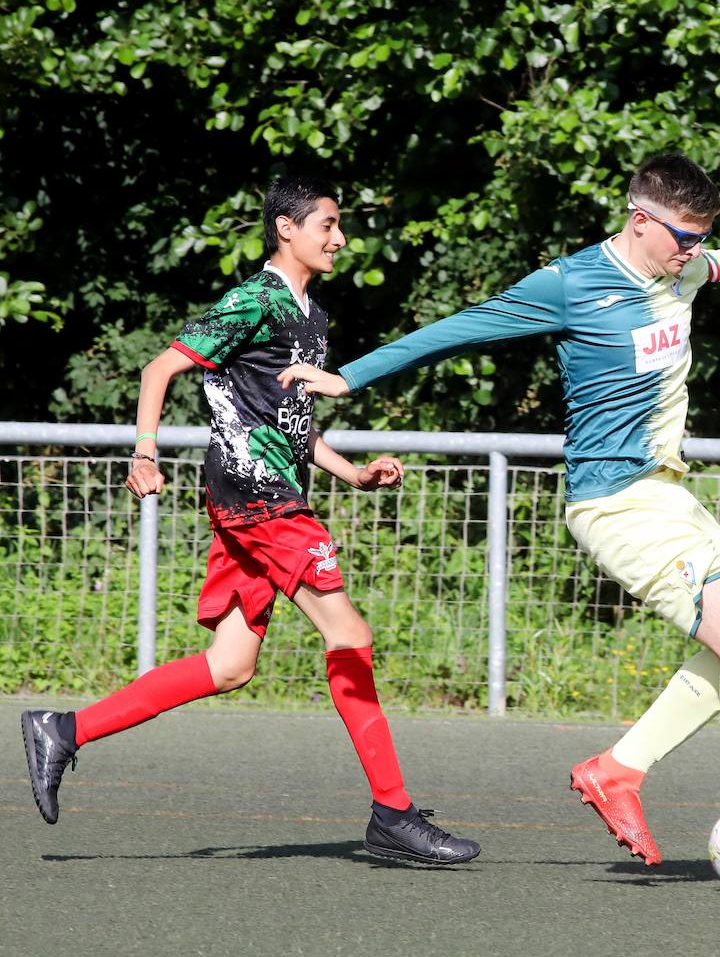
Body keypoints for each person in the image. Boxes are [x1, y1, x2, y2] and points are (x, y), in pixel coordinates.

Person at [278, 152, 720, 880]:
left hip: (669, 493)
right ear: (641, 222)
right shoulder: (573, 283)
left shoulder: (689, 267)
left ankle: (618, 769)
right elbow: (466, 326)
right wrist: (349, 376)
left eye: (701, 237)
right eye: (682, 237)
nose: (694, 251)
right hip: (614, 500)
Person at [19, 176, 479, 867]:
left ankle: (64, 728)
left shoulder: (312, 316)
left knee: (230, 665)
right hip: (258, 499)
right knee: (349, 632)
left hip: (267, 496)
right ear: (286, 229)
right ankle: (393, 812)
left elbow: (291, 423)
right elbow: (157, 369)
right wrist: (143, 452)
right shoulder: (252, 301)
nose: (339, 237)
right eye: (327, 224)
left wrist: (350, 472)